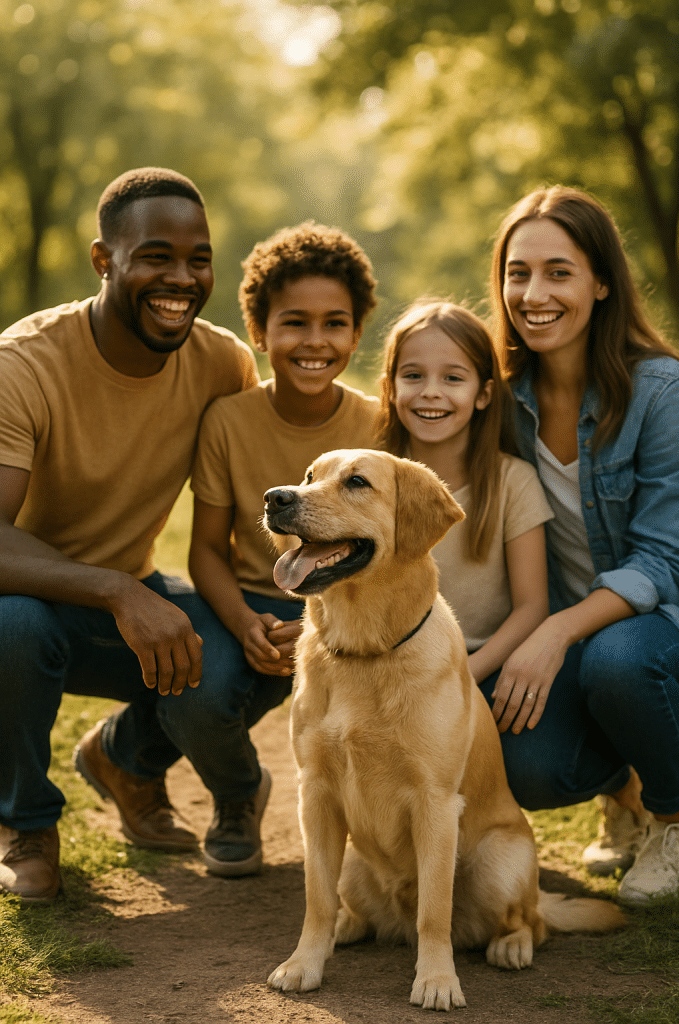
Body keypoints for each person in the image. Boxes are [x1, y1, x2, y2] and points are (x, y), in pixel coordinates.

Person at [0, 167, 260, 903]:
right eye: (155, 256)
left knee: (258, 633)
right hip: (35, 601)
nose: (180, 278)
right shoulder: (23, 365)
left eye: (197, 258)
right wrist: (114, 590)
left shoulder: (222, 362)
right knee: (10, 627)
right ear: (103, 260)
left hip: (131, 599)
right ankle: (25, 824)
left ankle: (126, 762)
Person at [482, 185, 679, 905]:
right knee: (516, 757)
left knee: (618, 657)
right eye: (518, 272)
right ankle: (623, 790)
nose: (533, 293)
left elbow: (662, 564)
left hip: (662, 632)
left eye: (558, 272)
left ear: (601, 283)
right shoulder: (503, 400)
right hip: (572, 635)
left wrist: (555, 633)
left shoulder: (661, 393)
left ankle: (673, 818)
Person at [188, 221, 379, 876]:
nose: (315, 341)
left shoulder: (378, 425)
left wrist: (312, 623)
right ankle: (237, 797)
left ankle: (122, 755)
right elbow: (205, 551)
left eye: (335, 323)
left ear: (356, 333)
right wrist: (242, 624)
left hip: (333, 606)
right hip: (242, 602)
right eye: (294, 323)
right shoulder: (228, 420)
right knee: (199, 690)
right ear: (261, 333)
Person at [376, 299, 553, 683]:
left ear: (484, 394)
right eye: (413, 376)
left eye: (453, 378)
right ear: (390, 388)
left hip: (483, 664)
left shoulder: (513, 482)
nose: (431, 392)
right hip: (392, 666)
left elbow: (532, 605)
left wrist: (465, 673)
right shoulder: (370, 480)